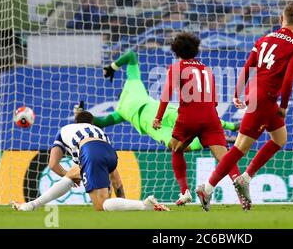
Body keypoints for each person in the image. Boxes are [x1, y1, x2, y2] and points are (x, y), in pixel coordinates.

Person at [196, 2, 293, 211]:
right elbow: (289, 80)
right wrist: (284, 106)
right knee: (240, 148)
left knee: (280, 139)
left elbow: (248, 67)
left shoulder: (264, 39)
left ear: (281, 19)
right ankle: (208, 188)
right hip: (266, 99)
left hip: (257, 94)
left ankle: (245, 178)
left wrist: (237, 92)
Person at [97, 49, 239, 206]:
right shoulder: (134, 84)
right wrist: (113, 67)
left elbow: (101, 122)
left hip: (155, 125)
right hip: (164, 110)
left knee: (177, 147)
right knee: (200, 118)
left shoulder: (121, 112)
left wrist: (82, 116)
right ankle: (229, 128)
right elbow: (131, 55)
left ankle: (185, 191)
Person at [152, 32, 244, 208]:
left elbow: (166, 95)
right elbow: (215, 100)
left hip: (188, 118)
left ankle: (185, 192)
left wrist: (158, 117)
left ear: (176, 51)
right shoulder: (207, 70)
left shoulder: (176, 67)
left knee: (176, 149)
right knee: (225, 159)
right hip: (211, 117)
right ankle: (241, 194)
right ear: (195, 50)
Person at [12, 111, 169, 212]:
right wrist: (124, 203)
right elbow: (117, 181)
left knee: (101, 206)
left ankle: (144, 205)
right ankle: (31, 206)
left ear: (76, 122)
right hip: (109, 151)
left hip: (89, 150)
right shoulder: (99, 131)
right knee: (74, 175)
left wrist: (69, 176)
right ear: (92, 123)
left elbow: (53, 164)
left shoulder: (66, 129)